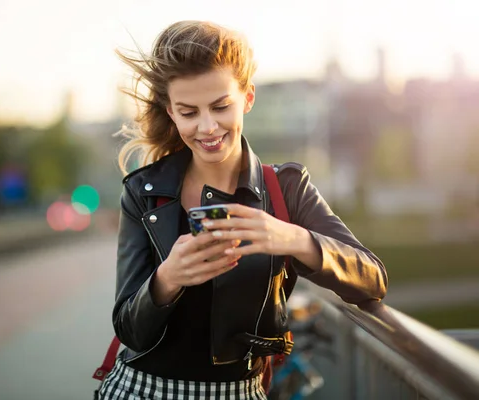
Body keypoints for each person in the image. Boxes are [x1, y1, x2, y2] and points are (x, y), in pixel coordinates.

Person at [97, 20, 388, 399]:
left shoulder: (286, 188)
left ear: (248, 97)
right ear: (170, 112)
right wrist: (167, 279)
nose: (207, 127)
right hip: (142, 390)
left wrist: (296, 239)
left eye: (221, 106)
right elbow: (129, 330)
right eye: (188, 112)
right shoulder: (142, 191)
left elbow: (373, 279)